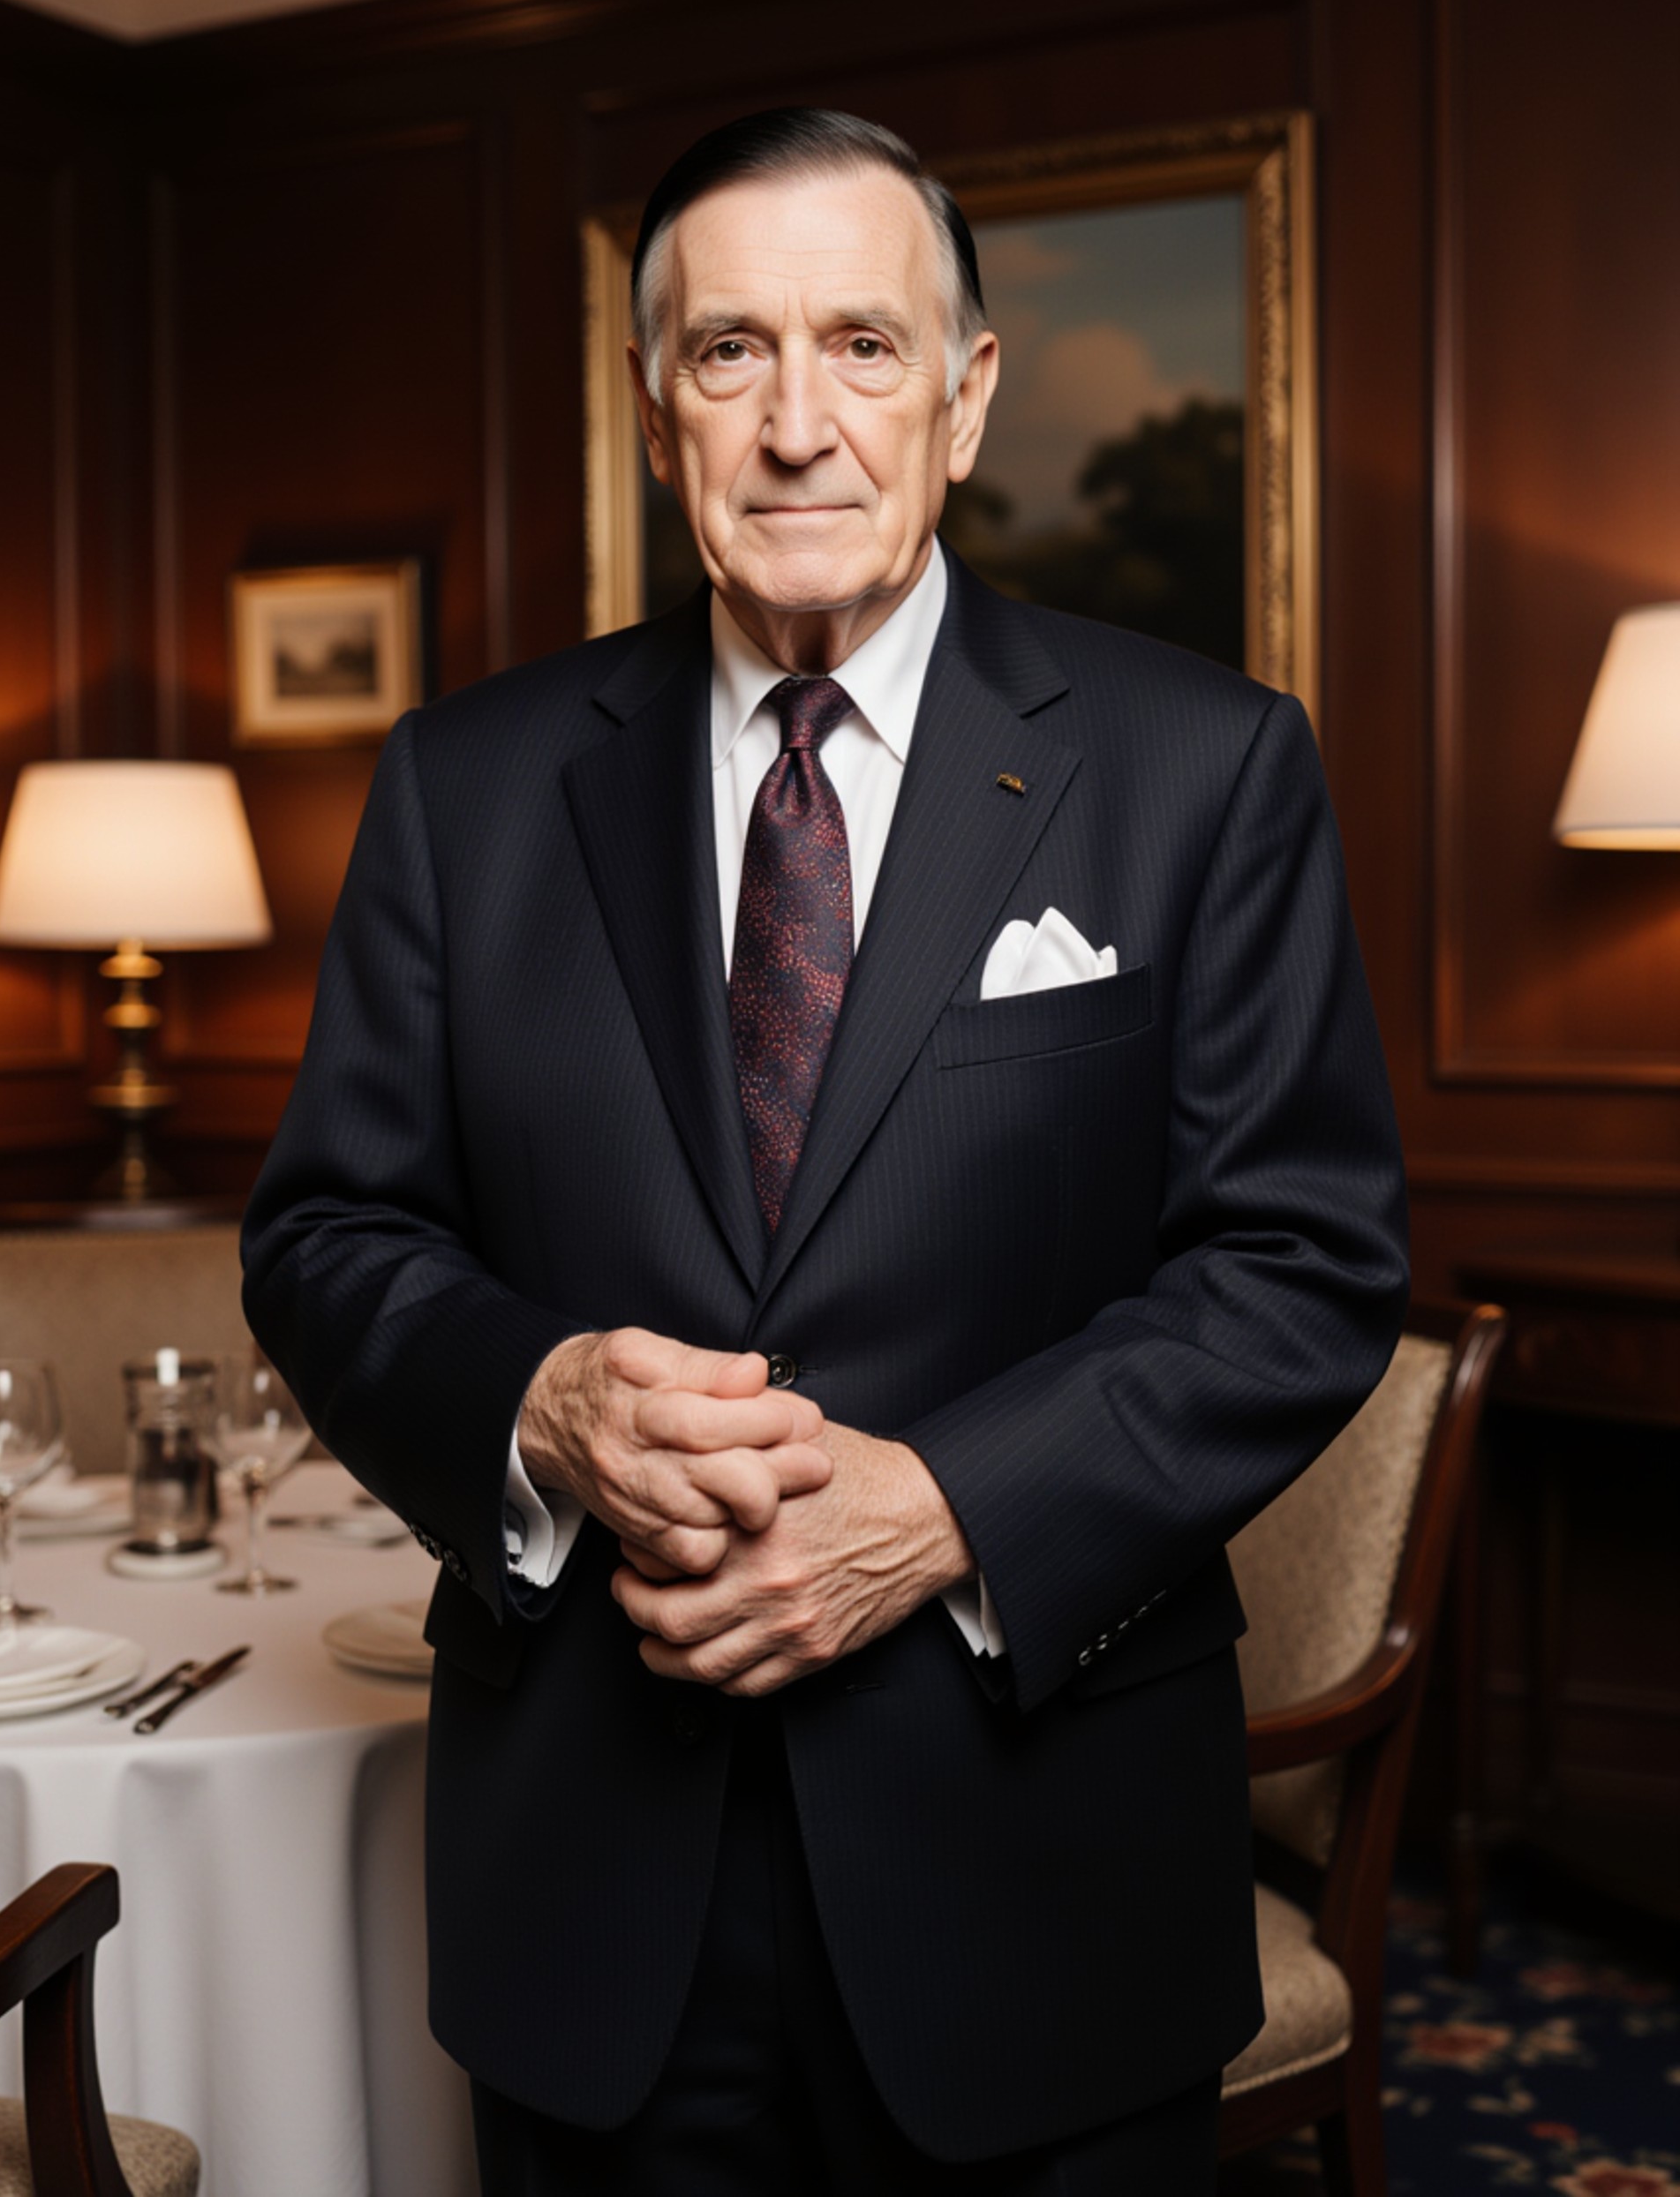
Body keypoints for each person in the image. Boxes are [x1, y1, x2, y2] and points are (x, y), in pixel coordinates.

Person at [242, 106, 1409, 2195]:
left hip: (1038, 1874)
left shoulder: (1203, 765)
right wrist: (538, 1398)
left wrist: (950, 1504)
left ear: (963, 399)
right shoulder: (464, 785)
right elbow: (329, 1231)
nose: (798, 422)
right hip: (594, 1898)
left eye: (863, 348)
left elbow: (1301, 1262)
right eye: (728, 354)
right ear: (648, 407)